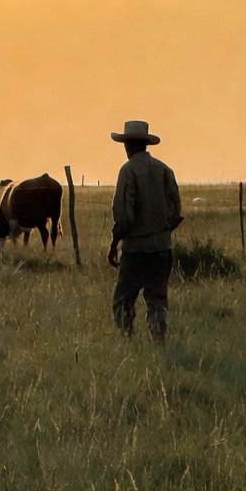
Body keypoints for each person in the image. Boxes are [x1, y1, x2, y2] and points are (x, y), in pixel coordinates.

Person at [107, 120, 183, 341]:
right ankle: (158, 339)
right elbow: (176, 212)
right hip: (162, 248)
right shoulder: (164, 170)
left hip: (135, 249)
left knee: (123, 299)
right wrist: (161, 232)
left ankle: (126, 341)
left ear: (128, 145)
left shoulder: (127, 171)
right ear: (145, 143)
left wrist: (114, 243)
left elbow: (124, 215)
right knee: (157, 298)